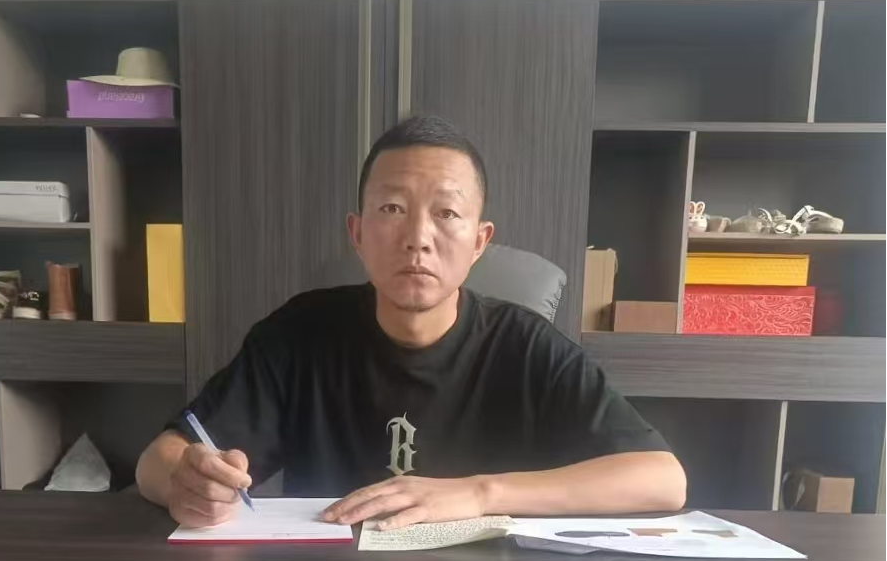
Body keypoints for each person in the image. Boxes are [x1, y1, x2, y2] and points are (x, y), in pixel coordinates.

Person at [136, 116, 686, 529]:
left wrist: (479, 493)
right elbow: (156, 461)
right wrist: (187, 483)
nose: (418, 238)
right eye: (392, 209)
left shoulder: (526, 346)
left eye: (446, 213)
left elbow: (662, 479)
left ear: (479, 242)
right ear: (357, 233)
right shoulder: (298, 334)